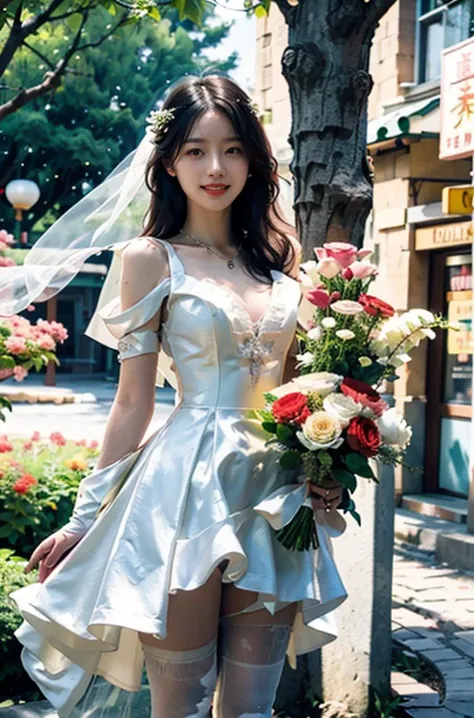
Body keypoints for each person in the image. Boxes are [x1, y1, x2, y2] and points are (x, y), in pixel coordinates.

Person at [8, 74, 347, 718]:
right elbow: (132, 402)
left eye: (232, 149)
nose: (215, 167)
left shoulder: (281, 265)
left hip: (275, 497)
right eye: (195, 150)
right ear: (168, 161)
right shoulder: (148, 259)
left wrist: (326, 472)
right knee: (180, 709)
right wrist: (85, 519)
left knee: (250, 710)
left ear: (254, 158)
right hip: (181, 498)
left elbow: (305, 394)